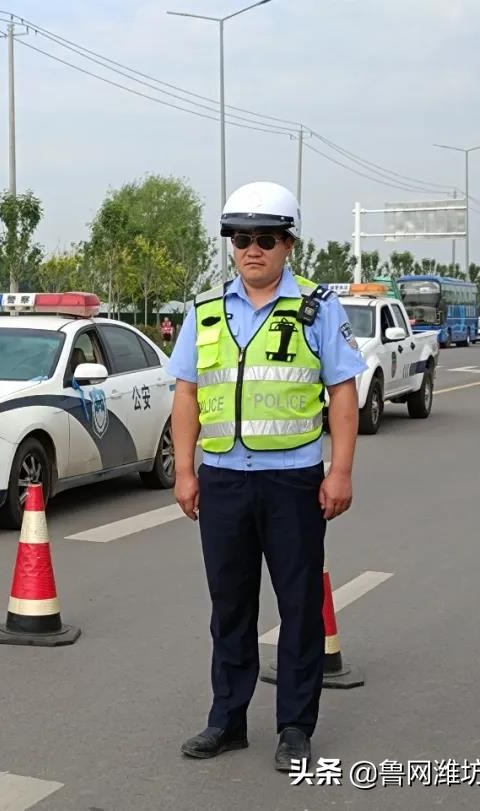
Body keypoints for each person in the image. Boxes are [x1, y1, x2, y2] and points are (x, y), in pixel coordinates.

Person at [166, 181, 366, 771]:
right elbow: (186, 394)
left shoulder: (317, 308)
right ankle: (227, 720)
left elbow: (343, 393)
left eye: (266, 239)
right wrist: (184, 470)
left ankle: (295, 728)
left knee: (299, 607)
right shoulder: (205, 311)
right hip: (224, 480)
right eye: (241, 238)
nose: (252, 249)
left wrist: (341, 471)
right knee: (229, 606)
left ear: (288, 245)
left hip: (293, 481)